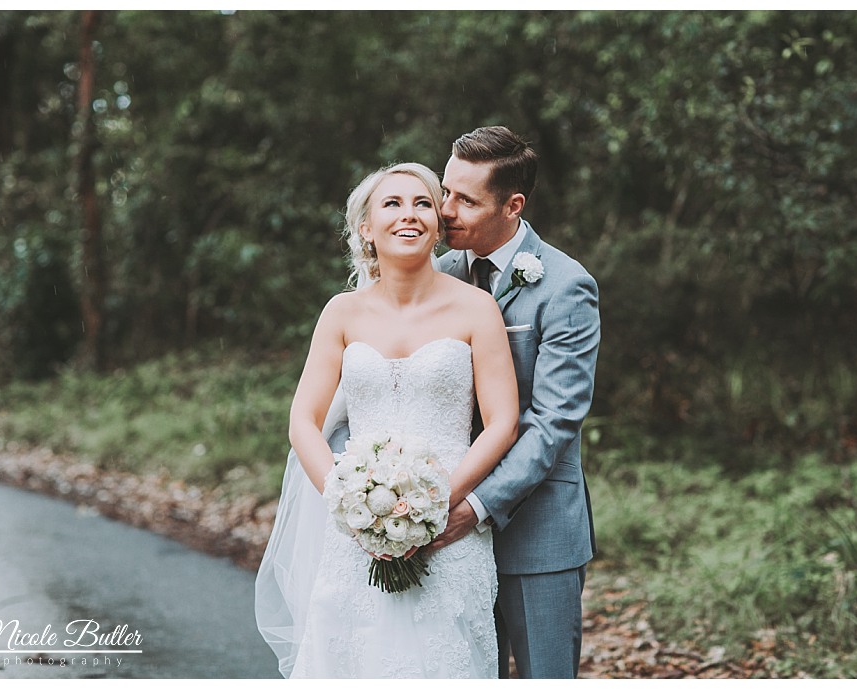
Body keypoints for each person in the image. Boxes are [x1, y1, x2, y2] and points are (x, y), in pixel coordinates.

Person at [254, 162, 519, 678]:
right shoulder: (341, 313)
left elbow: (503, 422)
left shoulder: (477, 309)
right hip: (356, 534)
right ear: (366, 228)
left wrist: (436, 505)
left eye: (422, 204)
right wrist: (349, 505)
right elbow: (303, 421)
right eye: (392, 204)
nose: (409, 215)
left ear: (438, 226)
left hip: (449, 530)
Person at [432, 125, 601, 679]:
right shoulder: (437, 276)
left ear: (513, 206)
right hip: (442, 533)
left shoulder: (565, 285)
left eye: (466, 200)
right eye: (445, 191)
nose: (445, 210)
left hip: (537, 531)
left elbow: (553, 423)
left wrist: (473, 508)